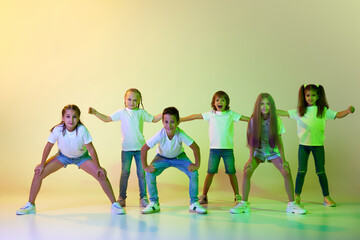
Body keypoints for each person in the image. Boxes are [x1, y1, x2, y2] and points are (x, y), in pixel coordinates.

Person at [16, 105, 124, 215]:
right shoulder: (58, 130)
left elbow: (91, 149)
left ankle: (114, 204)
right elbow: (48, 146)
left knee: (101, 174)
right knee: (38, 173)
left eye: (74, 117)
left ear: (78, 118)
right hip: (63, 157)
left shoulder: (82, 130)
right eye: (68, 116)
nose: (71, 120)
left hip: (82, 158)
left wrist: (98, 167)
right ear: (63, 118)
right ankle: (30, 204)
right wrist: (42, 164)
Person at [277, 84, 355, 207]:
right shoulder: (300, 111)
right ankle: (296, 196)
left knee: (321, 172)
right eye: (308, 95)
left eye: (313, 95)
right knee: (301, 171)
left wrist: (347, 110)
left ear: (318, 96)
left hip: (318, 146)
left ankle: (326, 197)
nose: (310, 98)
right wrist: (270, 110)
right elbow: (285, 112)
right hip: (303, 146)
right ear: (304, 96)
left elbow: (338, 115)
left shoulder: (322, 110)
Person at [230, 93, 306, 214]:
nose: (265, 106)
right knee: (247, 171)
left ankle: (292, 204)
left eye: (267, 103)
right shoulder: (253, 120)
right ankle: (244, 204)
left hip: (272, 151)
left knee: (286, 171)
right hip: (258, 152)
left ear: (271, 106)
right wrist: (250, 159)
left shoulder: (276, 120)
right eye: (262, 104)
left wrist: (284, 159)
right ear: (258, 106)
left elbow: (279, 141)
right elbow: (251, 142)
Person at [89, 88, 161, 207]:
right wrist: (96, 112)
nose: (132, 102)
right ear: (124, 99)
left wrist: (164, 114)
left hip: (140, 149)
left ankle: (143, 197)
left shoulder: (141, 113)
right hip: (126, 149)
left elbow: (153, 119)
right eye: (129, 99)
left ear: (139, 101)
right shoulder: (122, 112)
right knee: (125, 173)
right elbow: (107, 119)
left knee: (142, 173)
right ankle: (121, 197)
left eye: (134, 100)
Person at [181, 91, 249, 205]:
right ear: (214, 102)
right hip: (214, 150)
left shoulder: (230, 114)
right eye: (217, 100)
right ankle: (204, 195)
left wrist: (258, 120)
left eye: (222, 100)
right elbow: (195, 116)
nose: (220, 102)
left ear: (227, 102)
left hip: (228, 150)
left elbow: (245, 118)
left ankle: (237, 195)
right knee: (210, 172)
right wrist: (181, 119)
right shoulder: (211, 114)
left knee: (231, 172)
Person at [141, 107, 207, 214]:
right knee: (149, 174)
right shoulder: (160, 135)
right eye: (166, 122)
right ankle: (154, 203)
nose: (169, 125)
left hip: (179, 157)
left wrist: (197, 164)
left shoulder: (180, 133)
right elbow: (144, 148)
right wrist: (145, 167)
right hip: (161, 158)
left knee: (193, 173)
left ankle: (194, 203)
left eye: (172, 122)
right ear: (162, 122)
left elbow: (196, 147)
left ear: (178, 122)